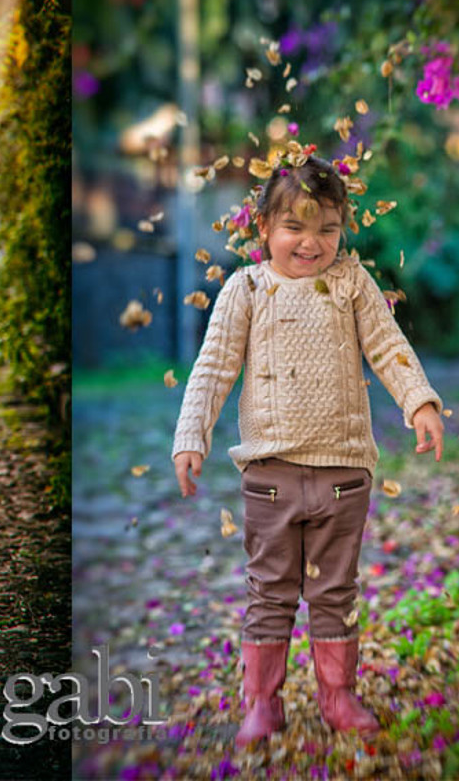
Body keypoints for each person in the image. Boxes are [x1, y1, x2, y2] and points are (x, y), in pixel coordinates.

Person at [172, 156, 444, 746]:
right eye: (295, 227)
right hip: (269, 475)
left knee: (333, 591)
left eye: (327, 228)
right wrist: (191, 436)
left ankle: (338, 696)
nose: (311, 242)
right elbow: (214, 367)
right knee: (269, 591)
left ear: (343, 227)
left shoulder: (350, 283)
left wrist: (419, 400)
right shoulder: (245, 288)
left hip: (343, 473)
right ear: (263, 226)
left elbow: (386, 343)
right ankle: (261, 703)